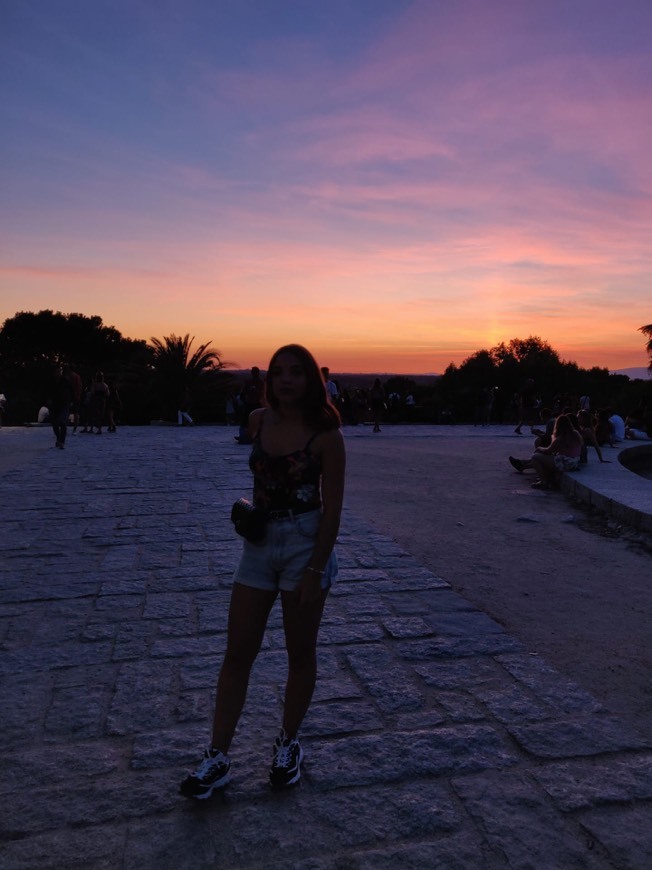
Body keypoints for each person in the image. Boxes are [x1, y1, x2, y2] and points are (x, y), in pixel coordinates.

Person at [180, 344, 345, 799]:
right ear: (268, 380)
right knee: (238, 652)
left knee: (299, 652)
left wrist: (315, 567)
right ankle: (218, 754)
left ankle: (289, 743)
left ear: (311, 378)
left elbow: (332, 510)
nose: (286, 380)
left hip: (304, 543)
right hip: (258, 544)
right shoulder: (259, 420)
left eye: (296, 372)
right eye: (278, 373)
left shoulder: (327, 435)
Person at [508, 413, 583, 489]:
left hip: (565, 462)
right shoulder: (576, 434)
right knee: (543, 457)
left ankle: (543, 481)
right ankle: (523, 464)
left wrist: (539, 448)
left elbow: (548, 451)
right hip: (574, 462)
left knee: (535, 457)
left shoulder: (560, 439)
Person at [47, 364, 74, 449]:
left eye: (60, 371)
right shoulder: (50, 381)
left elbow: (71, 391)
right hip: (53, 405)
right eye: (57, 371)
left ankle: (62, 441)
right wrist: (47, 400)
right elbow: (45, 391)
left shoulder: (66, 381)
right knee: (55, 424)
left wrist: (71, 401)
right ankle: (58, 438)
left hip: (64, 404)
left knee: (63, 423)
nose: (59, 373)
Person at [236, 366, 264, 443]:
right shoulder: (249, 382)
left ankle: (258, 435)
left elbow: (263, 393)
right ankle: (243, 435)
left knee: (258, 420)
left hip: (256, 404)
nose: (254, 374)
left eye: (255, 372)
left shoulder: (261, 383)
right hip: (249, 403)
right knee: (245, 420)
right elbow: (243, 393)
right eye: (253, 372)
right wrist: (244, 401)